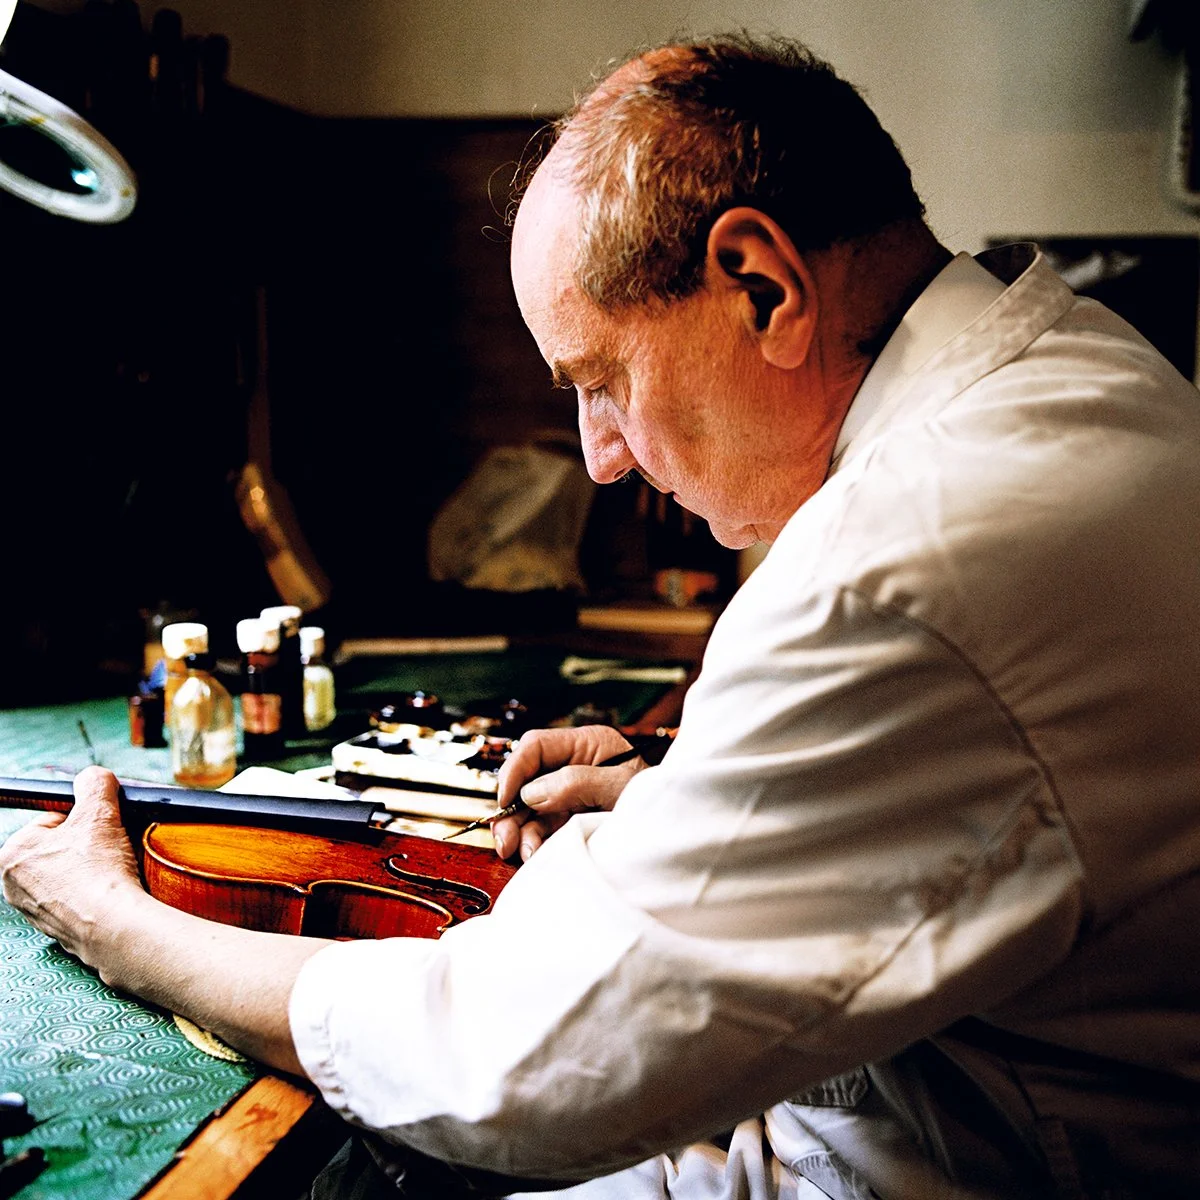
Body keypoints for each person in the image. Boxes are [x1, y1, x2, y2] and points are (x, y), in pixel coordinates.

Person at [4, 32, 1200, 1199]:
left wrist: (117, 925)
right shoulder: (1083, 374)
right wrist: (684, 792)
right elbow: (988, 789)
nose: (603, 457)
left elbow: (513, 1064)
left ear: (763, 286)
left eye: (601, 380)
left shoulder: (897, 564)